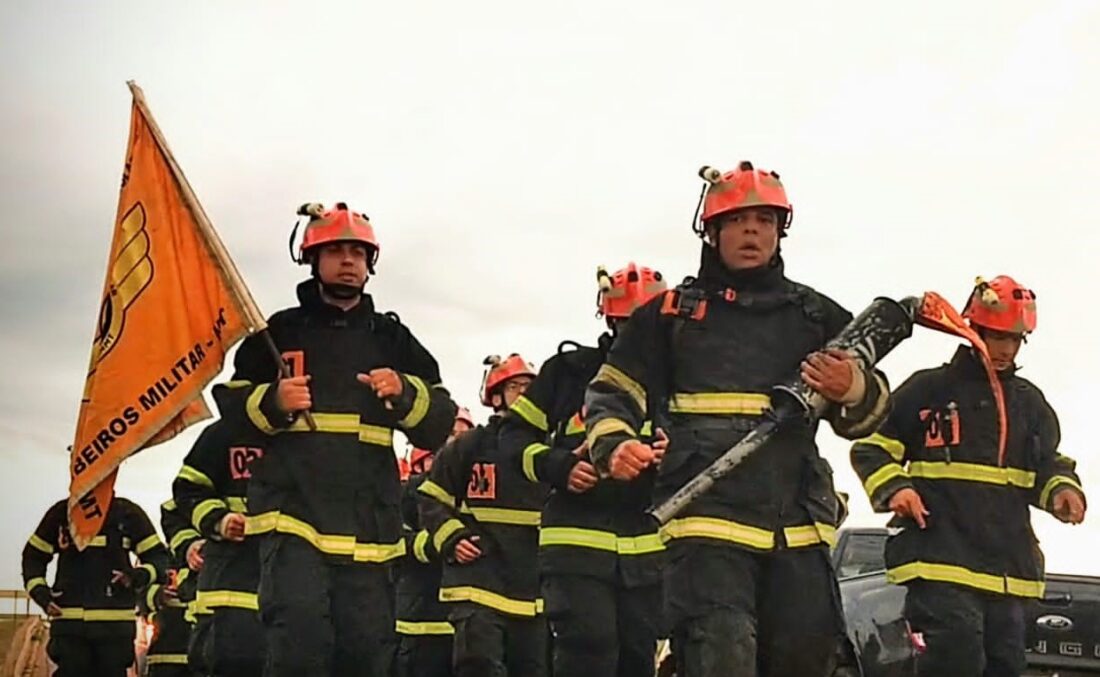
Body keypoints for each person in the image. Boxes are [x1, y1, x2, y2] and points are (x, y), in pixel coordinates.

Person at [584, 162, 891, 676]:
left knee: (803, 660)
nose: (752, 230)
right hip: (706, 520)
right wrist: (614, 444)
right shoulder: (668, 316)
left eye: (765, 221)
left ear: (779, 231)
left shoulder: (816, 316)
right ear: (712, 230)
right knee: (720, 653)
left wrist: (852, 387)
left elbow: (872, 416)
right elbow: (613, 391)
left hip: (795, 526)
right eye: (738, 220)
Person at [212, 202, 455, 676]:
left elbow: (438, 421)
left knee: (366, 656)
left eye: (358, 253)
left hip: (369, 527)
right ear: (312, 258)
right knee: (298, 643)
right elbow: (232, 414)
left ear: (371, 264)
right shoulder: (277, 334)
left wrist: (406, 395)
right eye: (336, 251)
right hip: (292, 517)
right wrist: (273, 402)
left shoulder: (393, 338)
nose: (349, 261)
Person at [851, 274, 1087, 677]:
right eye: (996, 337)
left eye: (1014, 339)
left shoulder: (1030, 404)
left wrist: (1062, 490)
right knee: (957, 655)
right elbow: (872, 447)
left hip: (1007, 568)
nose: (1004, 348)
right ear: (971, 330)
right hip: (939, 557)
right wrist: (897, 488)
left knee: (1005, 665)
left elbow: (1046, 464)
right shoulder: (928, 390)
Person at [499, 262, 669, 676]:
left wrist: (675, 453)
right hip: (575, 546)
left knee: (636, 661)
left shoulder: (679, 378)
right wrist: (558, 467)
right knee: (588, 654)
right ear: (611, 320)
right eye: (631, 324)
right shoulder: (567, 374)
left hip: (647, 553)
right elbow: (512, 440)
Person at [419, 355, 547, 677]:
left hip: (531, 588)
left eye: (530, 387)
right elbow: (431, 498)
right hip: (476, 581)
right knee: (478, 667)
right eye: (515, 386)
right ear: (495, 395)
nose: (523, 393)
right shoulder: (469, 446)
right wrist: (451, 538)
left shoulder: (549, 449)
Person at [22, 493, 169, 677]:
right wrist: (41, 593)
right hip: (70, 631)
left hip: (114, 634)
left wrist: (136, 576)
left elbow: (158, 558)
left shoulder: (127, 514)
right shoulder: (62, 514)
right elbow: (33, 557)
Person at [172, 419, 267, 676]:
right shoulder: (225, 434)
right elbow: (181, 498)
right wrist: (215, 524)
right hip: (228, 597)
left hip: (290, 599)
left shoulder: (309, 436)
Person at [395, 407, 475, 677]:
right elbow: (395, 543)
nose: (458, 442)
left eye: (465, 435)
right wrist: (437, 544)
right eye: (452, 434)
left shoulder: (482, 491)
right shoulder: (412, 491)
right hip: (422, 624)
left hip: (470, 627)